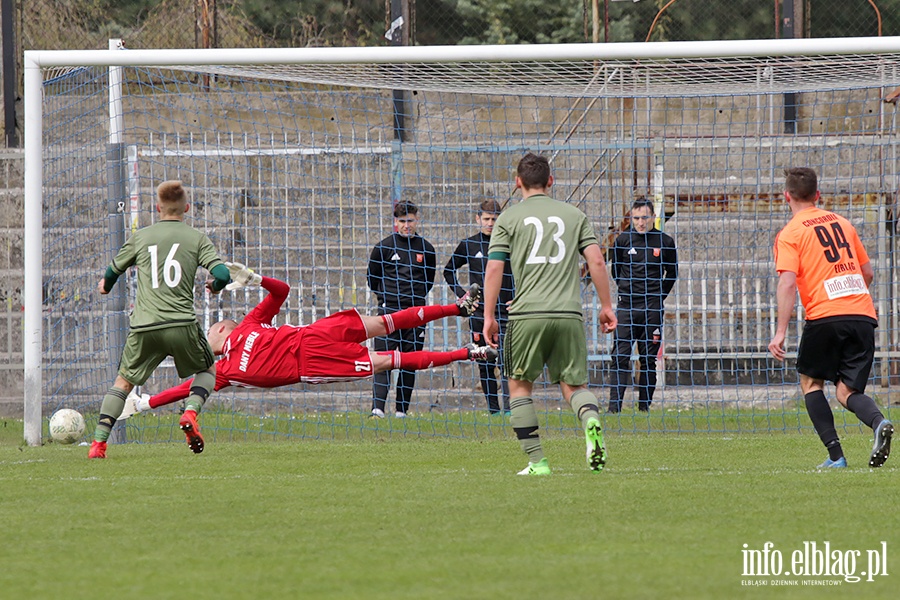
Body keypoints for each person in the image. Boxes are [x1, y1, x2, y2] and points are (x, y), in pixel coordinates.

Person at [118, 274, 493, 417]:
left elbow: (282, 291)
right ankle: (469, 353)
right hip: (313, 365)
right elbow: (187, 388)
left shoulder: (250, 323)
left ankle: (458, 308)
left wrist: (255, 278)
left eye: (210, 329)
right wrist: (145, 402)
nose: (210, 333)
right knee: (389, 360)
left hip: (316, 333)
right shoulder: (222, 372)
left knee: (387, 321)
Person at [482, 153, 617, 475]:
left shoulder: (508, 219)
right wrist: (606, 306)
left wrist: (489, 315)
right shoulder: (574, 215)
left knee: (519, 387)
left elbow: (495, 267)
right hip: (569, 314)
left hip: (527, 314)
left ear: (518, 183)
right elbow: (597, 262)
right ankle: (591, 420)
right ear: (551, 181)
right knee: (574, 386)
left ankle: (537, 462)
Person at [88, 180, 232, 458]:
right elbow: (223, 275)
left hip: (144, 326)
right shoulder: (197, 238)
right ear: (187, 208)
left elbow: (113, 270)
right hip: (181, 324)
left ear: (157, 208)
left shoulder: (141, 237)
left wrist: (105, 286)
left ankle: (98, 443)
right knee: (207, 371)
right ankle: (190, 412)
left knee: (123, 383)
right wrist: (214, 287)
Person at [768, 167, 893, 469]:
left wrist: (780, 331)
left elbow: (787, 282)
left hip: (825, 314)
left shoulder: (791, 233)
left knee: (811, 382)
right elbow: (867, 273)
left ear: (787, 196)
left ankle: (836, 456)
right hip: (862, 314)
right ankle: (879, 422)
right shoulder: (843, 223)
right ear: (818, 195)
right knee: (846, 391)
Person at [444, 199, 515, 415]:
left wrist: (520, 295)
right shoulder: (469, 245)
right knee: (485, 362)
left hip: (506, 313)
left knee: (507, 363)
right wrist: (464, 296)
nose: (491, 223)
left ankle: (510, 409)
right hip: (479, 314)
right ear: (478, 219)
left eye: (494, 219)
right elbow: (449, 271)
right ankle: (493, 411)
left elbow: (526, 270)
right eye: (486, 219)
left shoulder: (510, 243)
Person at [367, 201, 437, 418]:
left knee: (410, 360)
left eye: (411, 221)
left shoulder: (426, 248)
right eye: (402, 221)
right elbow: (372, 278)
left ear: (417, 220)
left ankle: (401, 411)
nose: (407, 225)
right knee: (383, 360)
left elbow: (428, 281)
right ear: (395, 222)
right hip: (389, 313)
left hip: (416, 313)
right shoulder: (384, 247)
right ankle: (377, 408)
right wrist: (387, 298)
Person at [608, 198, 678, 413]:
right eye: (636, 218)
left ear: (653, 217)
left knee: (648, 358)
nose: (640, 222)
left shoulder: (664, 241)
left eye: (644, 217)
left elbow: (672, 274)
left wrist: (658, 297)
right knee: (620, 356)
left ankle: (643, 408)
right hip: (627, 307)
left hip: (652, 307)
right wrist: (627, 290)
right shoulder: (622, 240)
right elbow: (615, 271)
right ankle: (614, 409)